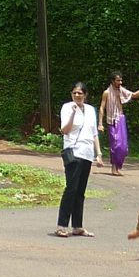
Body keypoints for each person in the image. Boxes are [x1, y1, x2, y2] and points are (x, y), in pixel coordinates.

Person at [54, 81, 103, 237]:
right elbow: (64, 130)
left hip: (87, 153)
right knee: (71, 188)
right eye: (74, 93)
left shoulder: (90, 110)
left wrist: (99, 153)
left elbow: (94, 133)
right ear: (71, 94)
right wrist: (73, 113)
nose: (77, 95)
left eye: (80, 93)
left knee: (80, 191)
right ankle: (62, 225)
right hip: (73, 152)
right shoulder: (67, 108)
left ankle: (77, 226)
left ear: (85, 95)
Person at [98, 70, 139, 175]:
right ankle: (114, 168)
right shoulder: (106, 93)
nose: (120, 82)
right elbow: (102, 107)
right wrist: (100, 123)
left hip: (120, 120)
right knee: (116, 146)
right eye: (118, 80)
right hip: (111, 121)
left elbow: (134, 95)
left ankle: (118, 167)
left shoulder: (121, 90)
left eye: (121, 80)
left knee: (123, 146)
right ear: (112, 81)